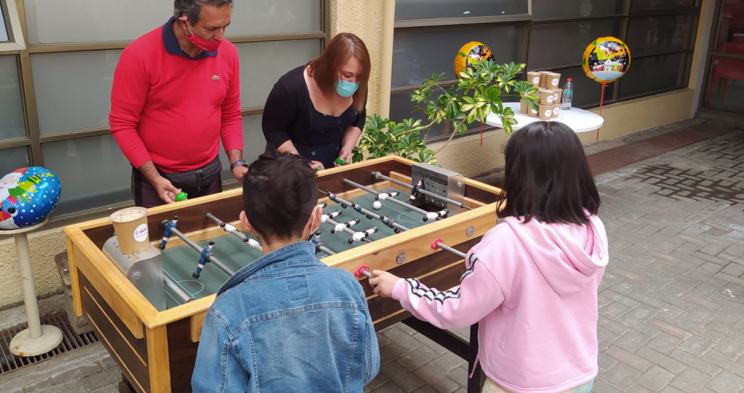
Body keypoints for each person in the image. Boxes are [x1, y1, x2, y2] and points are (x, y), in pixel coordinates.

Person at [369, 121, 608, 393]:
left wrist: (402, 288)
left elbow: (457, 309)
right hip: (579, 375)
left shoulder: (506, 242)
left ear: (518, 176)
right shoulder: (592, 228)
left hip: (519, 384)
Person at [191, 151, 380, 392]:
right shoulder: (348, 286)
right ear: (317, 218)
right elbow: (367, 369)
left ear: (245, 222)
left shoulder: (227, 309)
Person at [109, 0, 247, 208]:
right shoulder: (139, 55)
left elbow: (230, 113)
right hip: (160, 177)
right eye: (212, 28)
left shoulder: (228, 53)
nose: (221, 36)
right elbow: (122, 125)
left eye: (226, 26)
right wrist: (155, 178)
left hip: (211, 171)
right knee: (163, 243)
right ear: (185, 22)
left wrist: (236, 162)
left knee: (212, 239)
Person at [261, 33, 370, 170]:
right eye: (347, 75)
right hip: (288, 167)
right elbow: (273, 130)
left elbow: (359, 117)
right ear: (329, 66)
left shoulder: (358, 87)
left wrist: (348, 147)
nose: (353, 83)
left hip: (331, 165)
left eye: (359, 76)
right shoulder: (291, 87)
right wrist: (300, 162)